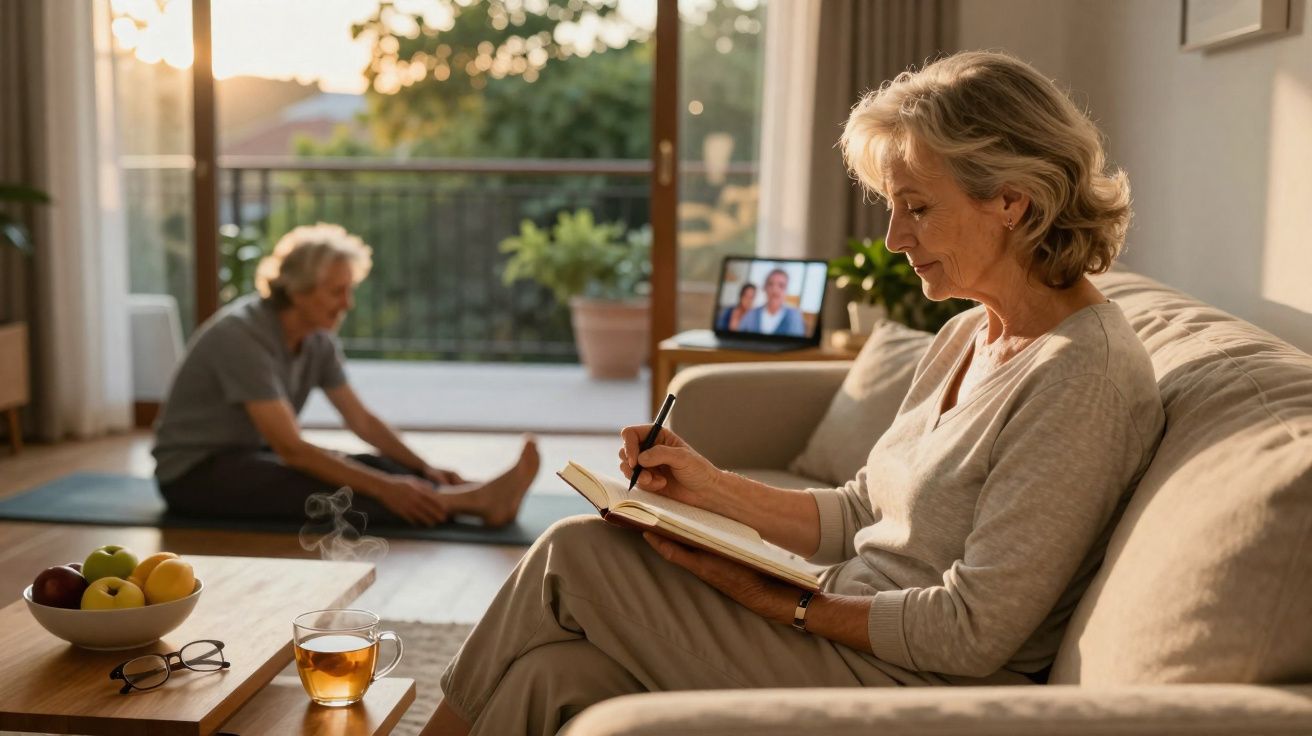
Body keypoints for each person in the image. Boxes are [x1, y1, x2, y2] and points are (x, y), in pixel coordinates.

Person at [422, 50, 1165, 736]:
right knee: (559, 674)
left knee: (574, 554)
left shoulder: (1083, 375)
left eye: (918, 207)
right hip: (845, 626)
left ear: (1012, 201)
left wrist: (775, 598)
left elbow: (971, 631)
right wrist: (708, 489)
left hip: (908, 682)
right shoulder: (968, 334)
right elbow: (863, 510)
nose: (895, 238)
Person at [153, 223, 540, 528]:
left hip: (251, 455)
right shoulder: (242, 336)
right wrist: (389, 489)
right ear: (299, 291)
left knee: (376, 468)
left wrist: (421, 467)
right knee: (338, 488)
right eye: (337, 292)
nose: (348, 304)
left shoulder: (316, 338)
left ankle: (471, 494)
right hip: (194, 475)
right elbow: (292, 449)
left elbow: (363, 421)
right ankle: (475, 501)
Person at [738, 268, 805, 336]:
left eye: (781, 285)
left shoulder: (794, 316)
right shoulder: (751, 314)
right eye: (770, 284)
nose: (775, 290)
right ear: (764, 287)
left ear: (786, 290)